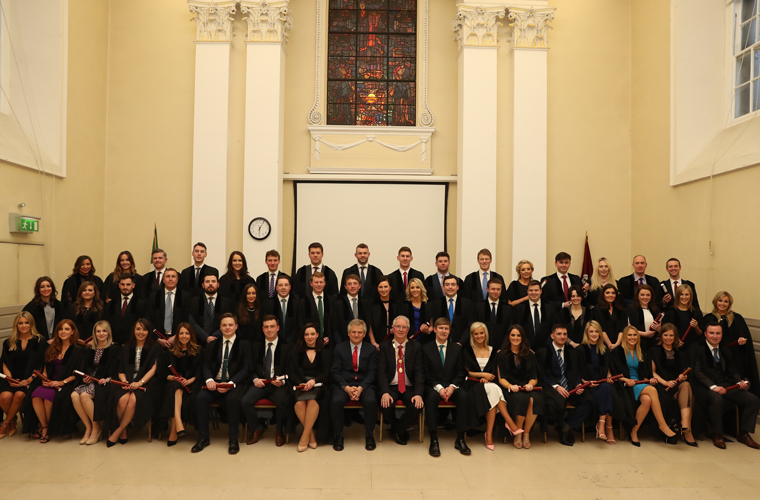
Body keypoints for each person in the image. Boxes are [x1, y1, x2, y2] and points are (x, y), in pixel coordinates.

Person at [691, 322, 760, 449]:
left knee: (753, 400)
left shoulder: (725, 349)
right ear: (705, 334)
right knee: (717, 399)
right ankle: (717, 434)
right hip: (705, 386)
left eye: (718, 333)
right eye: (711, 333)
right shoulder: (697, 348)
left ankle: (744, 433)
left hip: (725, 385)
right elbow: (697, 372)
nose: (715, 336)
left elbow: (733, 370)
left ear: (722, 335)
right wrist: (713, 387)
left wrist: (739, 382)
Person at [609, 325, 677, 446]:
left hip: (639, 384)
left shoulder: (641, 352)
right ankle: (662, 425)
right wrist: (626, 380)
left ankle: (634, 431)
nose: (632, 337)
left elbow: (645, 374)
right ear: (625, 336)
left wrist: (649, 380)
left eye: (635, 335)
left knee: (647, 400)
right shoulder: (618, 351)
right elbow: (614, 373)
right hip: (625, 385)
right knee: (652, 391)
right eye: (629, 335)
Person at [193, 313, 251, 454]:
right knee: (200, 398)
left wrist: (230, 383)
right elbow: (206, 366)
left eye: (230, 325)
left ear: (236, 326)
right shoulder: (213, 344)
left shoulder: (244, 345)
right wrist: (209, 380)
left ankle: (233, 440)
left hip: (234, 383)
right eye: (224, 325)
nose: (227, 327)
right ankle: (203, 438)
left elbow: (246, 369)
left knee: (232, 399)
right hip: (215, 382)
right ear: (220, 327)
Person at [463, 322, 522, 451]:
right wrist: (483, 375)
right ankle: (509, 423)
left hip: (490, 383)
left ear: (486, 334)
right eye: (476, 333)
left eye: (481, 333)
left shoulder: (494, 350)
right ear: (472, 335)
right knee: (494, 390)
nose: (479, 336)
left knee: (493, 391)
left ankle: (489, 434)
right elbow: (466, 372)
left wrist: (488, 378)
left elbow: (496, 371)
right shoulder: (467, 350)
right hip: (472, 384)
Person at [105, 318, 160, 447]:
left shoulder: (155, 347)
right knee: (122, 400)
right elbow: (121, 370)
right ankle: (124, 430)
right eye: (138, 329)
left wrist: (140, 383)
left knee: (133, 400)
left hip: (146, 384)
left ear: (148, 332)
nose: (141, 332)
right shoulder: (127, 347)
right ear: (133, 331)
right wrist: (124, 382)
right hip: (127, 382)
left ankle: (118, 430)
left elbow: (153, 369)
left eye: (144, 329)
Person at [26, 319, 83, 443]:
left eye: (67, 329)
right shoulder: (53, 347)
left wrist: (62, 382)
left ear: (72, 331)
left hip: (67, 383)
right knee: (35, 395)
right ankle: (45, 425)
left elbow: (77, 373)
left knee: (48, 397)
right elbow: (46, 366)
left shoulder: (78, 350)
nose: (63, 332)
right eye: (61, 329)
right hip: (49, 381)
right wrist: (44, 380)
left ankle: (46, 429)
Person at [537, 324, 594, 446]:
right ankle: (563, 427)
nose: (562, 337)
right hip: (552, 388)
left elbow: (578, 372)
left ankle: (565, 427)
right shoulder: (543, 352)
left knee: (588, 400)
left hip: (571, 387)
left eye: (565, 334)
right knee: (554, 402)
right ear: (552, 336)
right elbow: (541, 375)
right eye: (559, 334)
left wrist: (578, 384)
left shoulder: (572, 353)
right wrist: (556, 386)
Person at [421, 318, 470, 457]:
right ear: (435, 330)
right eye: (441, 328)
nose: (443, 331)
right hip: (433, 386)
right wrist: (439, 388)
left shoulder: (457, 348)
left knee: (464, 397)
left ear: (449, 331)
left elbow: (461, 372)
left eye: (446, 329)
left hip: (452, 385)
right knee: (430, 398)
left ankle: (460, 438)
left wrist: (452, 387)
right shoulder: (426, 348)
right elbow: (425, 373)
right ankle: (434, 439)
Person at [242, 315, 292, 448]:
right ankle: (257, 428)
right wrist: (255, 379)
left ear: (278, 328)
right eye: (266, 327)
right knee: (245, 401)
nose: (269, 329)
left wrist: (282, 381)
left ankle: (279, 431)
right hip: (261, 382)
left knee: (283, 400)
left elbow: (291, 370)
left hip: (278, 384)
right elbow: (250, 367)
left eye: (272, 326)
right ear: (262, 329)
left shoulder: (286, 346)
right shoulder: (256, 345)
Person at [330, 319, 377, 451]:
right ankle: (338, 435)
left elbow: (372, 373)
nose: (356, 335)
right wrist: (346, 387)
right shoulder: (339, 348)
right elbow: (335, 372)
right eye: (354, 332)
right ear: (349, 333)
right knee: (336, 400)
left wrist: (361, 388)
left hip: (364, 384)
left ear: (364, 334)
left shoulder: (371, 349)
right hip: (344, 384)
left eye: (359, 332)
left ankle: (369, 435)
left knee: (370, 400)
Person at [377, 315, 424, 445]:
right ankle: (399, 429)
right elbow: (381, 373)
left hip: (409, 387)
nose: (401, 330)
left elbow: (419, 373)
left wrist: (418, 394)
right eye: (398, 326)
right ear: (392, 328)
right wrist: (385, 392)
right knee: (385, 404)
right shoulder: (384, 346)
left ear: (408, 329)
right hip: (391, 386)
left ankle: (396, 430)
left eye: (404, 327)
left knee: (417, 405)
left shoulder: (416, 347)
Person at [704, 291, 760, 398]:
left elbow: (743, 334)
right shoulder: (708, 318)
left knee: (736, 385)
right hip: (714, 356)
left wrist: (741, 340)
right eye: (720, 300)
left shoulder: (736, 318)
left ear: (729, 304)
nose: (723, 304)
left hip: (733, 357)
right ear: (716, 302)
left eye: (726, 301)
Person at [71, 320, 119, 445]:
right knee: (74, 395)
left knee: (84, 395)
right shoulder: (89, 350)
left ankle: (96, 427)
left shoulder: (114, 349)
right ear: (94, 333)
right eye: (98, 331)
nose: (101, 334)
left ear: (108, 333)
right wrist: (84, 378)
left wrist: (107, 379)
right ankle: (88, 427)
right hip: (90, 382)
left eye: (104, 331)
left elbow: (116, 371)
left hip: (104, 383)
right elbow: (84, 369)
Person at [648, 323, 696, 446]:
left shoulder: (681, 353)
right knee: (685, 389)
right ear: (661, 336)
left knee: (686, 385)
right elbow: (652, 372)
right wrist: (665, 382)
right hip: (660, 384)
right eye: (665, 335)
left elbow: (683, 373)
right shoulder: (654, 351)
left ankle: (685, 426)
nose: (668, 338)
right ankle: (687, 431)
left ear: (675, 337)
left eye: (671, 335)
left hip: (677, 385)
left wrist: (681, 377)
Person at [0, 312, 46, 439]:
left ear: (31, 324)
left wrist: (29, 379)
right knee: (4, 397)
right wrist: (10, 380)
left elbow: (41, 365)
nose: (24, 325)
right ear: (16, 325)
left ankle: (6, 423)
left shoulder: (39, 341)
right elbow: (4, 363)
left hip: (32, 378)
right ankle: (12, 418)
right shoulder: (9, 342)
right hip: (12, 378)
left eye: (27, 322)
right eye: (20, 323)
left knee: (19, 395)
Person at [496, 325, 542, 449]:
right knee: (522, 398)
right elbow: (501, 378)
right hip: (510, 389)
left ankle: (525, 433)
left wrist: (530, 385)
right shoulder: (501, 354)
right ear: (508, 337)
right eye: (513, 335)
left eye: (518, 335)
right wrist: (511, 386)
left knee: (535, 399)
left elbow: (534, 377)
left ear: (522, 337)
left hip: (527, 388)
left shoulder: (530, 354)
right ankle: (518, 432)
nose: (515, 338)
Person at [289, 323, 333, 452]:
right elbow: (291, 372)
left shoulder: (325, 352)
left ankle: (304, 437)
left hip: (318, 385)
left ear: (317, 335)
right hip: (300, 384)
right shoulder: (295, 351)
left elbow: (326, 373)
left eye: (312, 334)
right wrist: (300, 383)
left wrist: (314, 381)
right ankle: (311, 435)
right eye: (307, 334)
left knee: (313, 402)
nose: (309, 337)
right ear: (303, 336)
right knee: (299, 404)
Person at [161, 322, 203, 447]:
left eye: (187, 333)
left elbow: (199, 373)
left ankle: (174, 429)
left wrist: (188, 381)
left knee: (174, 389)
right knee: (174, 386)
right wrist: (173, 377)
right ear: (177, 336)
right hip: (173, 385)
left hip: (191, 386)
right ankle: (177, 424)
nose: (184, 336)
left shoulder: (199, 351)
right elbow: (163, 374)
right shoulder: (169, 352)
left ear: (191, 335)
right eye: (181, 333)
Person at [578, 321, 615, 444]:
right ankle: (605, 427)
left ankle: (601, 424)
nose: (594, 334)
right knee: (606, 391)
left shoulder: (605, 349)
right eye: (591, 331)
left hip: (602, 383)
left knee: (606, 388)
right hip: (587, 385)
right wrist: (585, 382)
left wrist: (609, 377)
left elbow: (608, 369)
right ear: (586, 333)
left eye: (596, 331)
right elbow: (577, 371)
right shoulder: (580, 349)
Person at [187, 273, 234, 344]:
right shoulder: (195, 301)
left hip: (219, 341)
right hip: (198, 342)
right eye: (207, 282)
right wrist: (206, 337)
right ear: (203, 285)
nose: (210, 284)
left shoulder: (225, 302)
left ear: (218, 284)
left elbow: (228, 322)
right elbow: (192, 322)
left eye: (213, 281)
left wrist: (215, 337)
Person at [103, 273, 148, 345]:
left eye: (128, 284)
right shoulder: (111, 304)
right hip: (114, 344)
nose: (125, 287)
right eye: (123, 284)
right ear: (119, 285)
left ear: (133, 285)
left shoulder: (141, 303)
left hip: (133, 343)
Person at [429, 275, 475, 344]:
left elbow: (470, 325)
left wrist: (461, 343)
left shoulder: (467, 304)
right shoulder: (436, 304)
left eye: (453, 284)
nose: (450, 287)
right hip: (442, 344)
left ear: (457, 287)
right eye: (447, 285)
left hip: (462, 345)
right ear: (443, 288)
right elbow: (435, 325)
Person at [148, 268, 187, 345]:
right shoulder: (154, 296)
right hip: (158, 340)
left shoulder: (184, 296)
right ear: (163, 280)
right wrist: (158, 339)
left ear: (177, 279)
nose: (170, 279)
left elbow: (186, 318)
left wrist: (177, 336)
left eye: (173, 276)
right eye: (167, 276)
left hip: (179, 339)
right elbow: (149, 318)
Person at [514, 280, 558, 347]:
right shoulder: (520, 308)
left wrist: (547, 345)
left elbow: (554, 327)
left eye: (536, 290)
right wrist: (526, 346)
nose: (533, 293)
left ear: (541, 291)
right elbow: (518, 329)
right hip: (526, 348)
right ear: (527, 291)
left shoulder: (550, 307)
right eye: (531, 290)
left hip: (546, 348)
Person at [297, 272, 337, 346]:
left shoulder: (331, 301)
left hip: (328, 344)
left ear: (325, 283)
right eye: (316, 282)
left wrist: (329, 337)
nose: (319, 285)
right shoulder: (304, 302)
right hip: (310, 343)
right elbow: (301, 324)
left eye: (321, 282)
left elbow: (333, 322)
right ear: (311, 283)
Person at [474, 278, 512, 350]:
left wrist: (503, 348)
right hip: (482, 348)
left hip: (502, 349)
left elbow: (509, 330)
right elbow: (476, 329)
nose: (495, 292)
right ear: (487, 289)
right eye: (493, 289)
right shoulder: (479, 307)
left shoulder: (507, 308)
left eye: (498, 289)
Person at [22, 276, 65, 341]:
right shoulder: (31, 307)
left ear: (52, 288)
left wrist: (56, 338)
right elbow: (26, 327)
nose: (46, 289)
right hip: (38, 343)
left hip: (57, 341)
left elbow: (64, 324)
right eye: (42, 287)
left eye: (48, 286)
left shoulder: (60, 305)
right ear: (38, 289)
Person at [262, 275, 302, 343]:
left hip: (294, 343)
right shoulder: (268, 303)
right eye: (280, 285)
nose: (283, 288)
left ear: (290, 287)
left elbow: (299, 324)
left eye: (286, 285)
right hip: (274, 342)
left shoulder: (297, 303)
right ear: (276, 287)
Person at [334, 274, 372, 344]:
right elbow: (335, 327)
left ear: (359, 286)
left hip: (363, 342)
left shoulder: (366, 303)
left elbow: (368, 324)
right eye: (349, 284)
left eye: (355, 283)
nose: (352, 286)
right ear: (345, 287)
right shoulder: (339, 304)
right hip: (344, 341)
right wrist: (340, 345)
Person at [663, 284, 703, 350]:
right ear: (677, 296)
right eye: (681, 294)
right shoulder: (670, 312)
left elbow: (700, 334)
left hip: (692, 349)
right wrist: (675, 340)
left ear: (691, 296)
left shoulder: (696, 312)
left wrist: (696, 327)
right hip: (673, 348)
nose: (684, 297)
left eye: (687, 294)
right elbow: (665, 332)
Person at [626, 284, 662, 353]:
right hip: (637, 344)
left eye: (648, 295)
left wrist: (659, 329)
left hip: (654, 344)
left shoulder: (656, 310)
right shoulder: (630, 309)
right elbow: (628, 328)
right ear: (637, 296)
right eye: (642, 295)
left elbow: (661, 329)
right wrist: (645, 334)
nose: (645, 297)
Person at [592, 283, 627, 351]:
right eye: (607, 293)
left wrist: (617, 344)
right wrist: (610, 345)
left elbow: (622, 328)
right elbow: (601, 329)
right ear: (603, 294)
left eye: (613, 293)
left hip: (619, 345)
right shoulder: (597, 309)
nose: (610, 295)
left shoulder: (620, 309)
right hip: (604, 346)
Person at [368, 277, 400, 349]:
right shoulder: (372, 304)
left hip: (394, 341)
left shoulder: (396, 303)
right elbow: (369, 325)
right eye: (380, 287)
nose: (383, 290)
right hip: (376, 342)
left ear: (390, 288)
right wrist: (374, 343)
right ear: (377, 289)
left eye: (386, 287)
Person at [400, 277, 434, 344]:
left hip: (425, 340)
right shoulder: (404, 306)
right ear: (409, 290)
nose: (415, 290)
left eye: (417, 287)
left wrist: (427, 331)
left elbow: (432, 326)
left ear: (421, 289)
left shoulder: (429, 305)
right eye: (412, 288)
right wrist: (405, 338)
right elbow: (401, 325)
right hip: (408, 339)